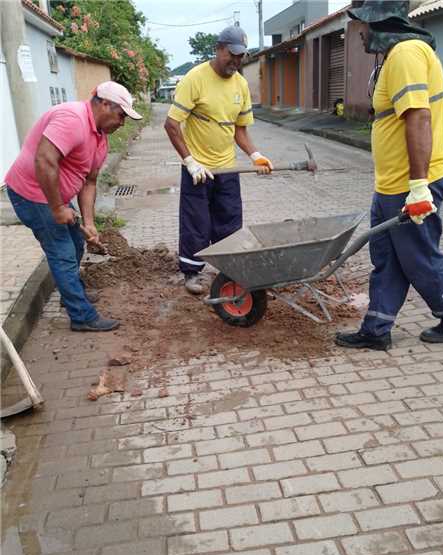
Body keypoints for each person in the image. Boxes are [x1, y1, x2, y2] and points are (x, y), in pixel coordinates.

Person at [336, 0, 443, 350]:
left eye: (365, 25)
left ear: (385, 22)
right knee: (387, 257)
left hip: (411, 183)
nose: (362, 34)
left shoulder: (406, 54)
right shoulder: (396, 57)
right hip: (392, 183)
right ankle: (377, 329)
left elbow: (418, 117)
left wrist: (418, 187)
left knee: (419, 258)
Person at [5, 81, 142, 332]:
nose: (122, 123)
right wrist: (57, 208)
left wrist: (89, 223)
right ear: (104, 104)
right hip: (32, 193)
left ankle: (73, 294)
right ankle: (81, 316)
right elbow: (45, 160)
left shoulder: (100, 138)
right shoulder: (72, 119)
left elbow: (88, 182)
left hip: (53, 194)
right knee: (63, 252)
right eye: (121, 115)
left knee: (77, 243)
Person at [164, 25, 274, 295]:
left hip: (227, 168)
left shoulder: (240, 85)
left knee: (229, 222)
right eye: (232, 55)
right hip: (198, 169)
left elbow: (239, 129)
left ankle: (228, 272)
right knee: (196, 223)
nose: (236, 62)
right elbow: (171, 124)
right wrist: (190, 161)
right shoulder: (195, 78)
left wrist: (255, 155)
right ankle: (191, 273)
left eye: (241, 57)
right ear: (219, 49)